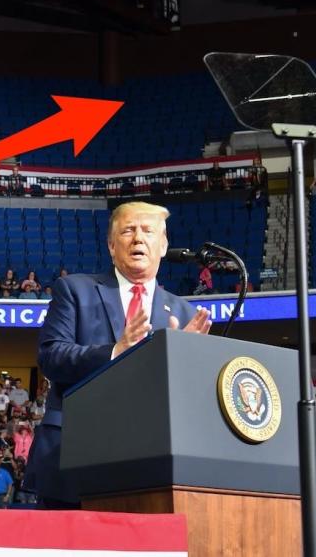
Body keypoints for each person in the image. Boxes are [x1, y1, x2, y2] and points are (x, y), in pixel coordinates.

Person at [24, 201, 210, 509]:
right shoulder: (74, 290)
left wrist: (183, 360)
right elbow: (51, 356)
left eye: (148, 231)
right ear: (112, 246)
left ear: (163, 246)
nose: (138, 238)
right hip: (75, 457)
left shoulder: (183, 312)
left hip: (153, 464)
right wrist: (114, 351)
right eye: (128, 230)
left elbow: (190, 399)